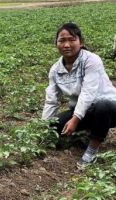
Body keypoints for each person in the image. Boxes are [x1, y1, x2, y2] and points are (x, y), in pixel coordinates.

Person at [42, 22, 116, 167]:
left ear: (81, 42)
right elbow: (51, 100)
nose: (67, 44)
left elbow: (88, 93)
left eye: (72, 39)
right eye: (62, 40)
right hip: (84, 111)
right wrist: (42, 129)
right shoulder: (55, 70)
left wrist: (75, 120)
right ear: (56, 43)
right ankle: (90, 132)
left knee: (102, 106)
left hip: (110, 109)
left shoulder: (91, 60)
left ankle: (92, 150)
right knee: (53, 125)